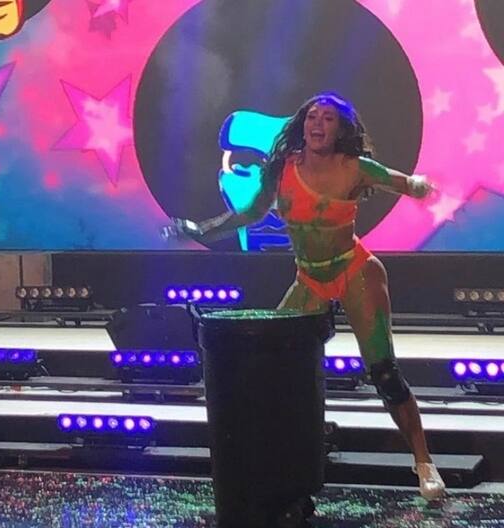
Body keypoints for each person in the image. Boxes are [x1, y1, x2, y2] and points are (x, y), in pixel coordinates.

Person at [171, 92, 446, 500]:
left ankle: (424, 462)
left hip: (355, 272)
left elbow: (403, 182)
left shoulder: (354, 167)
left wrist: (421, 187)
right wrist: (201, 229)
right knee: (274, 366)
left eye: (328, 118)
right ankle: (282, 459)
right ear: (302, 125)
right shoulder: (283, 168)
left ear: (341, 129)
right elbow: (249, 213)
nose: (318, 124)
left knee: (384, 374)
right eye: (313, 117)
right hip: (311, 279)